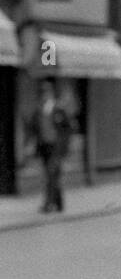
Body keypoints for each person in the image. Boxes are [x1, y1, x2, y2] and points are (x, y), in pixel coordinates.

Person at [24, 80, 72, 214]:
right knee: (52, 175)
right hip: (44, 147)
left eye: (47, 92)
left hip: (56, 147)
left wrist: (64, 148)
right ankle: (59, 203)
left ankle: (48, 204)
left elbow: (67, 130)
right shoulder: (39, 111)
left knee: (51, 173)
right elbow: (32, 129)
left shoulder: (59, 109)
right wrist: (29, 144)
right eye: (42, 93)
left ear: (51, 94)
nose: (44, 95)